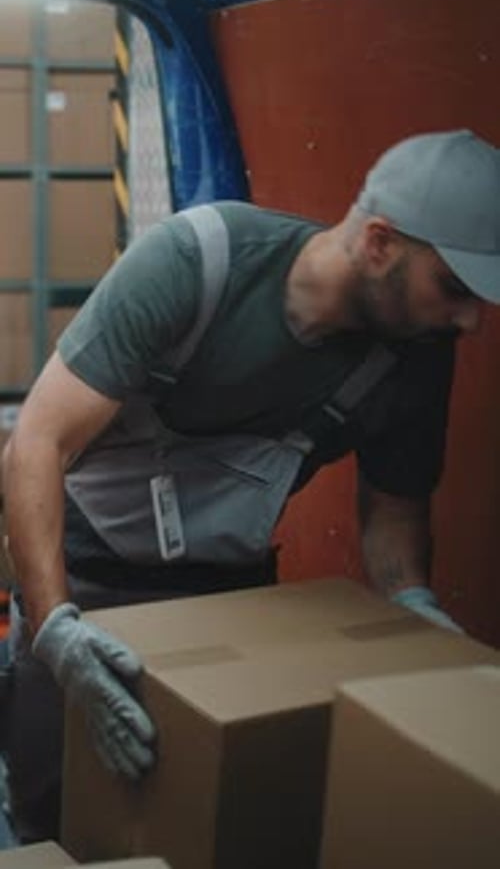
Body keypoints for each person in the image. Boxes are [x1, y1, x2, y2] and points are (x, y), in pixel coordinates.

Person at [2, 128, 500, 840]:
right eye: (453, 288)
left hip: (230, 598)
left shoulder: (418, 356)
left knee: (213, 820)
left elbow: (395, 511)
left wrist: (414, 607)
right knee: (54, 820)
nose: (471, 321)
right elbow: (36, 444)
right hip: (84, 584)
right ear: (382, 244)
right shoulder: (197, 263)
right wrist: (56, 631)